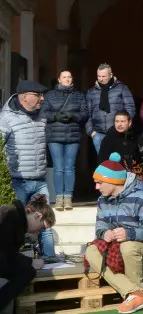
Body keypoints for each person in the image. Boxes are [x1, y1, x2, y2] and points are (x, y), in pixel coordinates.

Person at [85, 153, 143, 314]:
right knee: (91, 251)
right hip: (120, 248)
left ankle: (135, 296)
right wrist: (104, 233)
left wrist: (129, 233)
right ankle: (134, 293)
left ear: (112, 181)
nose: (97, 187)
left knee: (128, 246)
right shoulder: (102, 200)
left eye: (99, 183)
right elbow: (99, 227)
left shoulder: (141, 198)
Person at [0, 80, 56, 258]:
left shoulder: (42, 115)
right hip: (18, 180)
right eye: (38, 95)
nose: (42, 98)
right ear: (24, 97)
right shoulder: (6, 118)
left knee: (45, 219)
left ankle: (50, 257)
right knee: (17, 222)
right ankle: (17, 259)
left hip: (40, 179)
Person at [0, 195, 55, 314]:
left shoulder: (18, 222)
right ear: (37, 216)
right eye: (41, 228)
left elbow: (10, 254)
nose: (38, 233)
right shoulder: (10, 215)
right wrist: (30, 261)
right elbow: (5, 250)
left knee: (27, 272)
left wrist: (29, 263)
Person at [42, 70, 89, 211]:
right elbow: (43, 113)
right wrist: (56, 116)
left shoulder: (79, 96)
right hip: (54, 136)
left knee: (69, 167)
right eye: (64, 77)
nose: (67, 79)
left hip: (73, 135)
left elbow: (85, 114)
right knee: (58, 167)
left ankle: (68, 197)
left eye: (69, 77)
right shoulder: (49, 95)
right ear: (59, 79)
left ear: (72, 79)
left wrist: (73, 115)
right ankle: (58, 197)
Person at [85, 63, 136, 154]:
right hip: (98, 134)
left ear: (111, 75)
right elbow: (87, 113)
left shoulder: (122, 88)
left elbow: (130, 108)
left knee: (118, 162)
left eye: (104, 76)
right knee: (104, 164)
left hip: (118, 132)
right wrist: (91, 132)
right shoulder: (91, 92)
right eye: (99, 76)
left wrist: (124, 126)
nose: (101, 79)